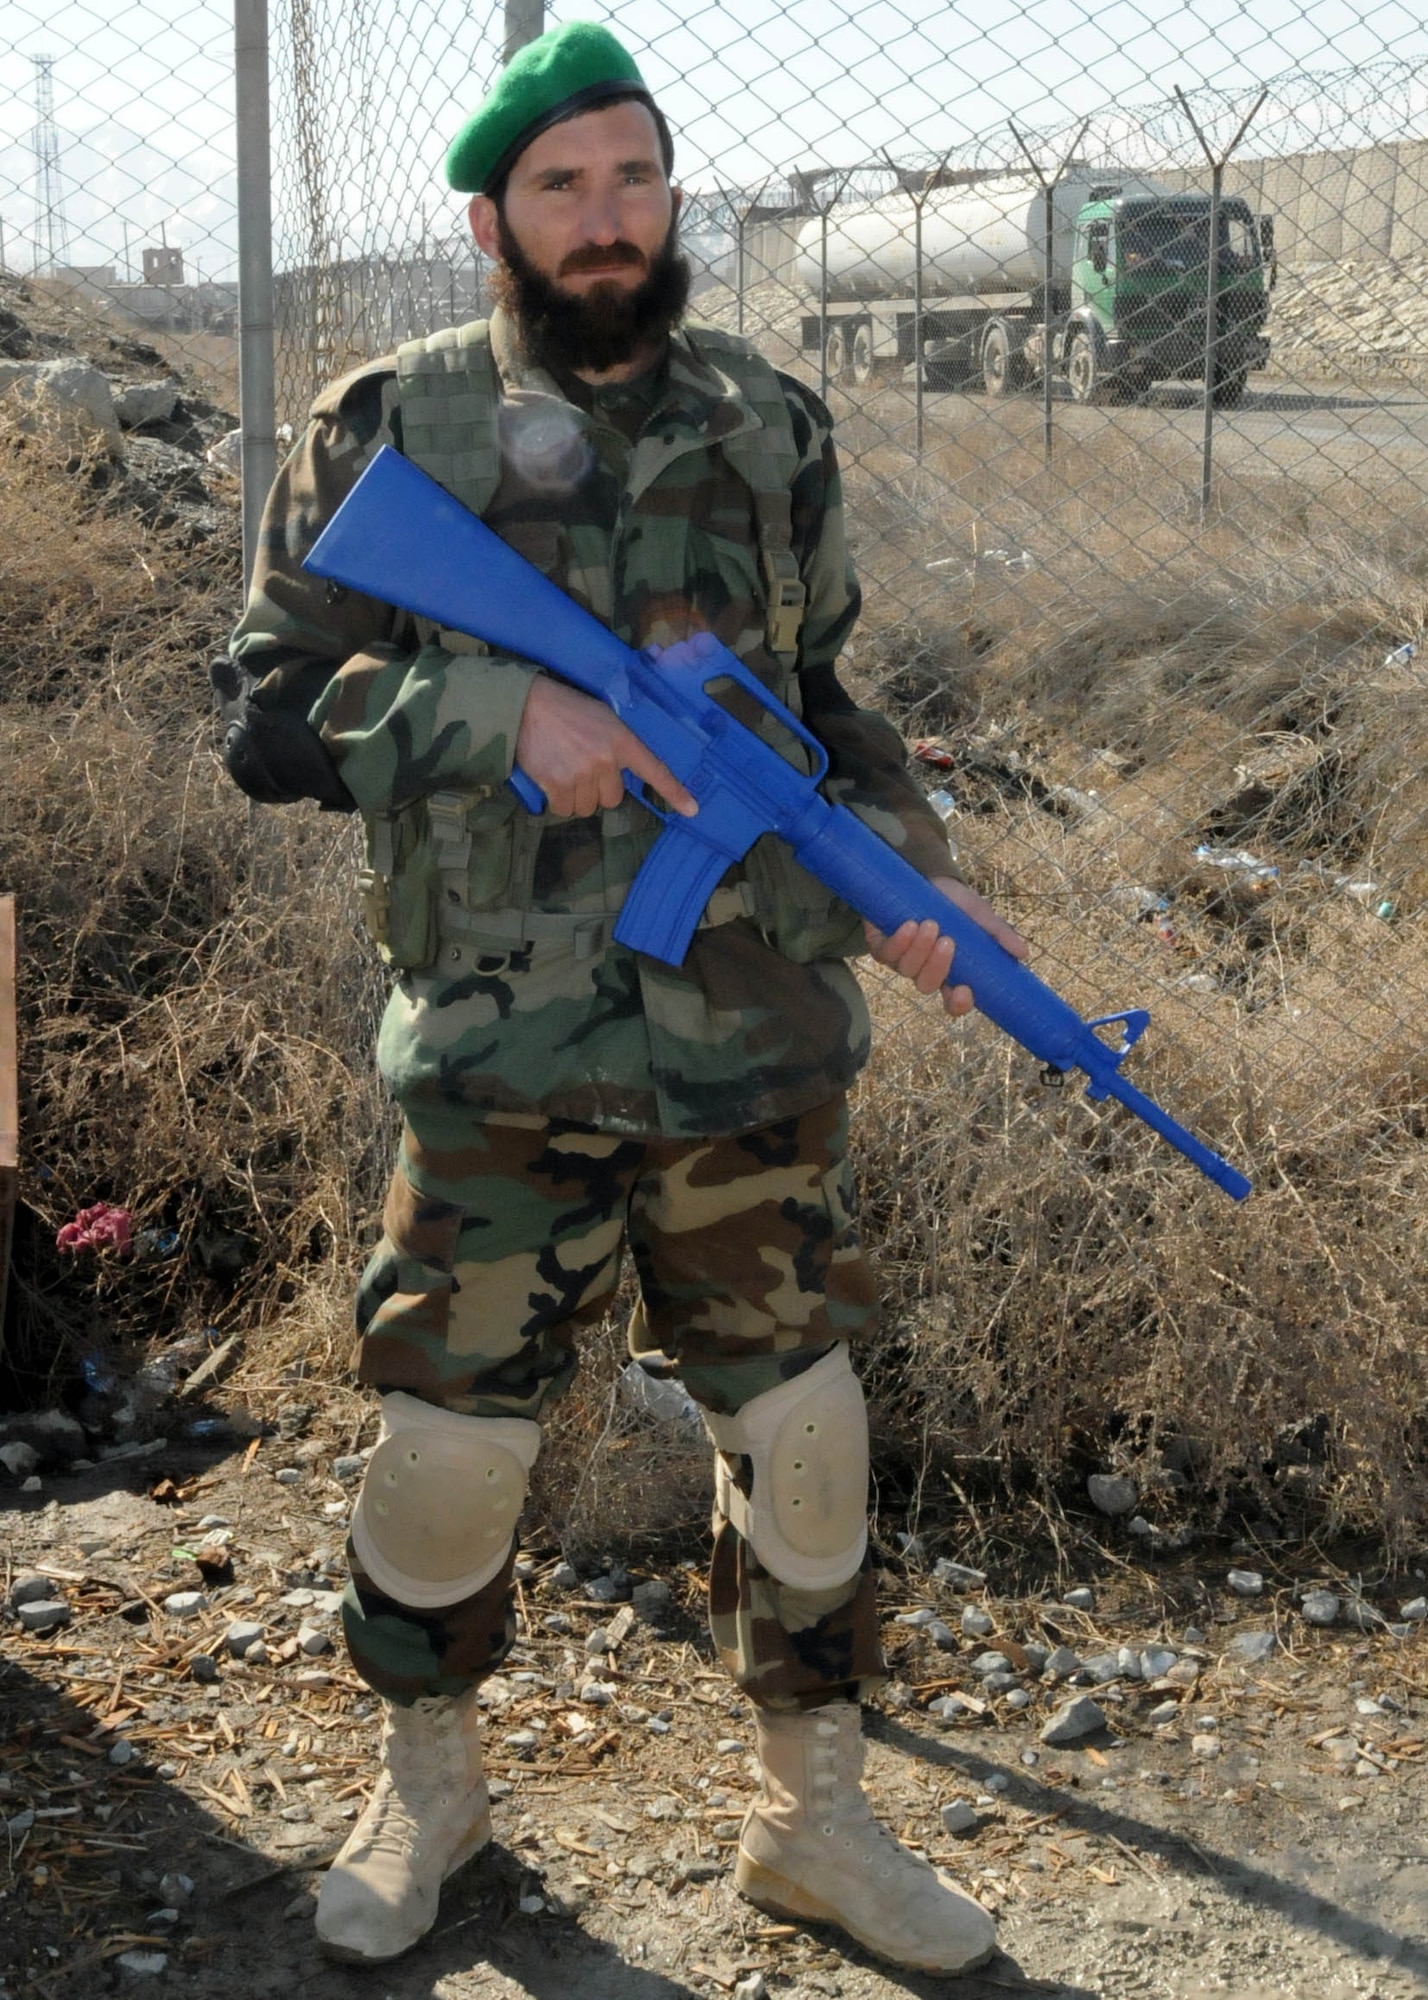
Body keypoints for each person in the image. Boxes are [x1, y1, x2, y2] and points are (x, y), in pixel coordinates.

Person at [219, 20, 1026, 1976]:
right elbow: (262, 718)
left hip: (752, 1041)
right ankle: (430, 1785)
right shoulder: (384, 427)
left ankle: (811, 1819)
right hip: (498, 1050)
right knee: (448, 1447)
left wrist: (907, 867)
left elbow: (827, 709)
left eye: (638, 177)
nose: (608, 218)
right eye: (566, 185)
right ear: (490, 213)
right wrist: (505, 713)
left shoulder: (772, 422)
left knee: (807, 1431)